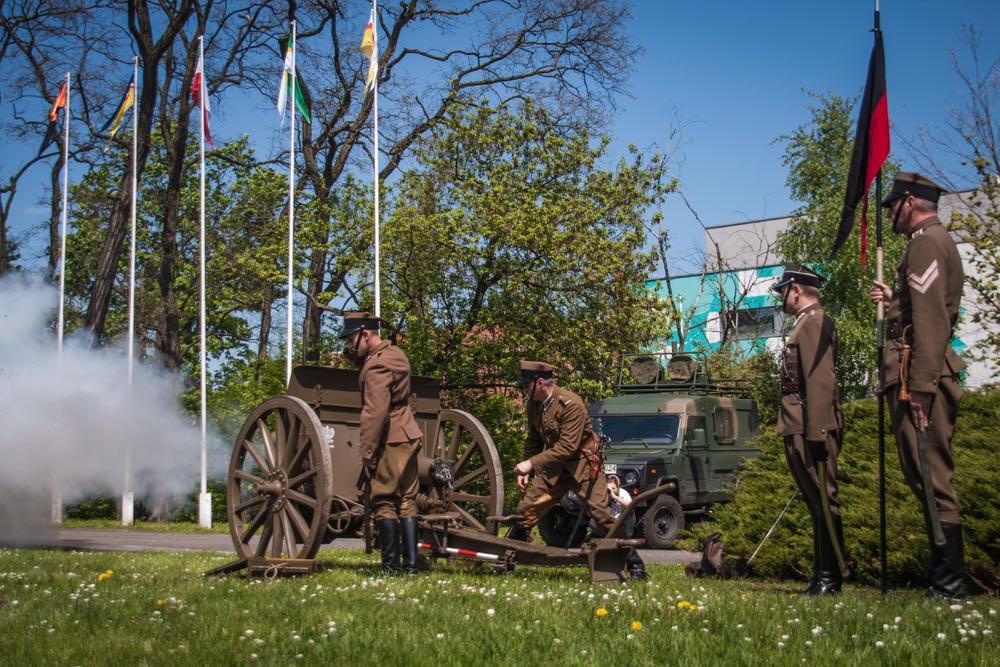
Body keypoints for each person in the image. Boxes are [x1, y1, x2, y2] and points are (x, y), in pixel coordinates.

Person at [869, 172, 967, 598]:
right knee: (921, 472)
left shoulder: (925, 242)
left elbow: (930, 319)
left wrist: (922, 385)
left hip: (919, 376)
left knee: (931, 476)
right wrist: (894, 299)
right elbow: (920, 306)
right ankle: (945, 581)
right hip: (916, 372)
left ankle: (949, 585)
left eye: (893, 204)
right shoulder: (929, 241)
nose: (889, 211)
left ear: (910, 202)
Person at [509, 360, 646, 581]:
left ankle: (634, 564)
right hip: (554, 470)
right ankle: (507, 560)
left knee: (601, 515)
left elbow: (567, 447)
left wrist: (531, 463)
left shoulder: (571, 404)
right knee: (525, 511)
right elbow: (534, 440)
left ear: (540, 382)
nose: (524, 390)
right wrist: (527, 467)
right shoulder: (533, 405)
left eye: (526, 386)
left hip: (583, 468)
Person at [773, 265, 847, 595]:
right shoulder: (804, 322)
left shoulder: (814, 321)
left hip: (810, 425)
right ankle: (823, 574)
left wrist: (817, 433)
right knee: (814, 500)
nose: (781, 297)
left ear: (797, 289)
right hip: (798, 423)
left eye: (783, 291)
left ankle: (831, 576)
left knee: (823, 498)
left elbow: (820, 381)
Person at [340, 311, 424, 575]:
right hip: (409, 432)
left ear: (365, 334)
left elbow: (375, 413)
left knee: (383, 500)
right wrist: (357, 357)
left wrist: (367, 452)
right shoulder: (396, 355)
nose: (350, 344)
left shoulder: (376, 365)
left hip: (391, 438)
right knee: (408, 500)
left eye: (352, 338)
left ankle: (391, 567)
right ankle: (410, 566)